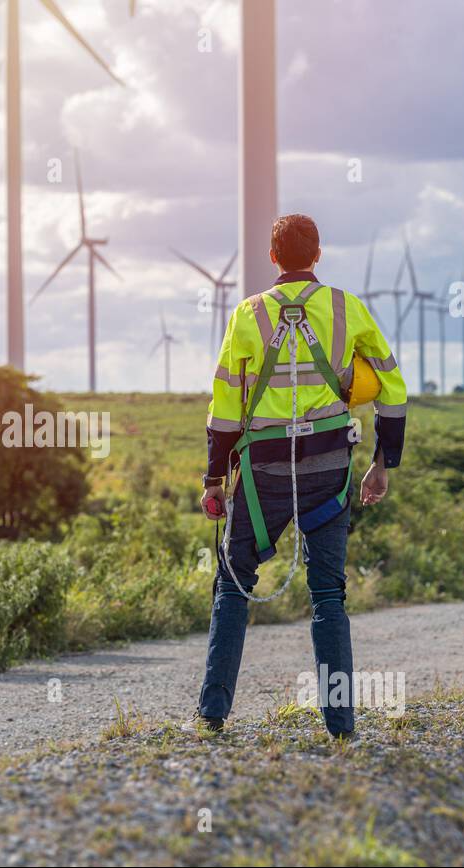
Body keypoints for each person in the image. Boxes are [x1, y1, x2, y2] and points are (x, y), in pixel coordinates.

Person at [188, 213, 407, 738]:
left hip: (261, 472)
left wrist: (213, 480)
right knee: (329, 593)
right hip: (330, 468)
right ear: (318, 255)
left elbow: (223, 407)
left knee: (233, 585)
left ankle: (212, 716)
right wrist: (382, 464)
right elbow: (393, 391)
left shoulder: (246, 315)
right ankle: (341, 726)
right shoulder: (346, 307)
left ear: (271, 257)